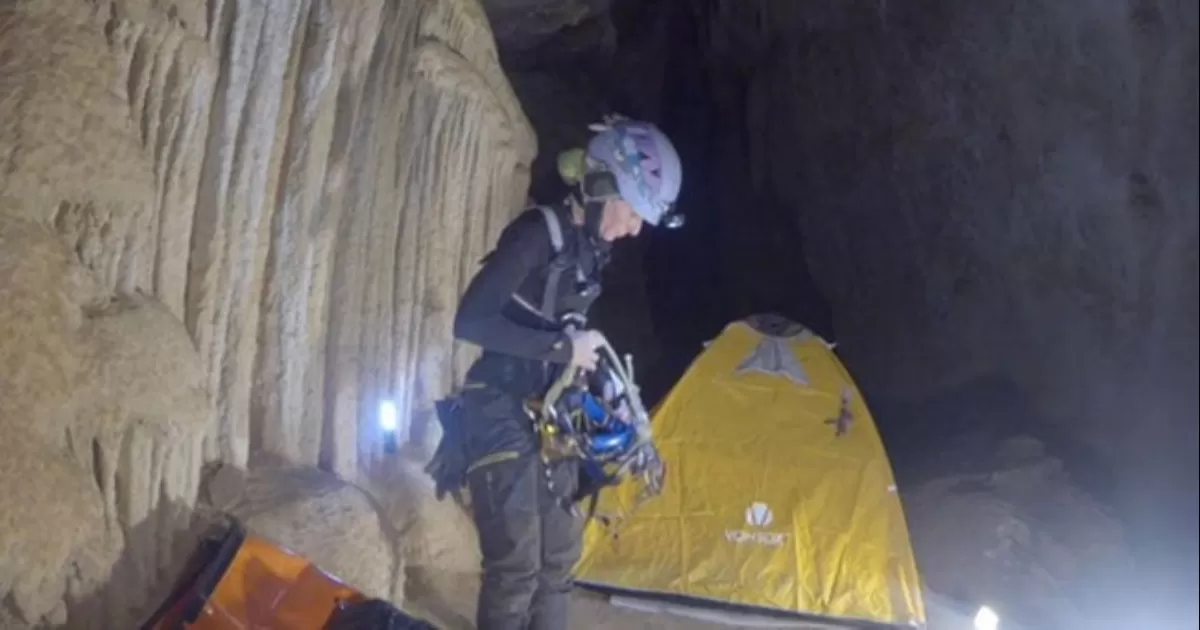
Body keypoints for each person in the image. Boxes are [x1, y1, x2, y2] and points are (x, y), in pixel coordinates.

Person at [436, 116, 683, 630]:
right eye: (632, 212)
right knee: (517, 565)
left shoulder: (592, 253)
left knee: (557, 564)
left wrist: (605, 389)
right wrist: (561, 346)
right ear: (601, 188)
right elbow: (471, 320)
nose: (634, 228)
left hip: (552, 413)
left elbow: (571, 335)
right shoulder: (536, 235)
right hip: (499, 402)